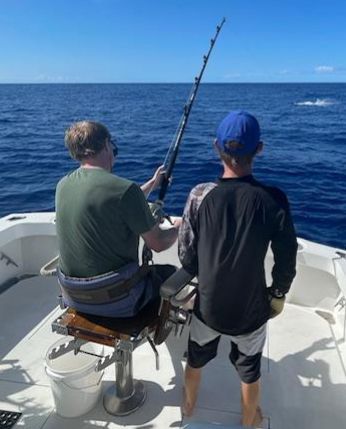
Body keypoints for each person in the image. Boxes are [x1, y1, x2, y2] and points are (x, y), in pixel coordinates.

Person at [178, 111, 298, 427]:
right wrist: (278, 294)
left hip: (209, 308)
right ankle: (249, 421)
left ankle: (188, 407)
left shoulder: (198, 196)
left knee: (195, 359)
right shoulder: (274, 199)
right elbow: (287, 257)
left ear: (216, 147)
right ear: (259, 149)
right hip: (251, 310)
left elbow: (187, 258)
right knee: (250, 369)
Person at [55, 120, 180, 318]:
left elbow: (111, 201)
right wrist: (182, 228)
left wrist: (152, 184)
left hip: (72, 296)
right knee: (170, 273)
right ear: (106, 144)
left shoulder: (63, 185)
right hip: (116, 301)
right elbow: (158, 243)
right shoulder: (125, 190)